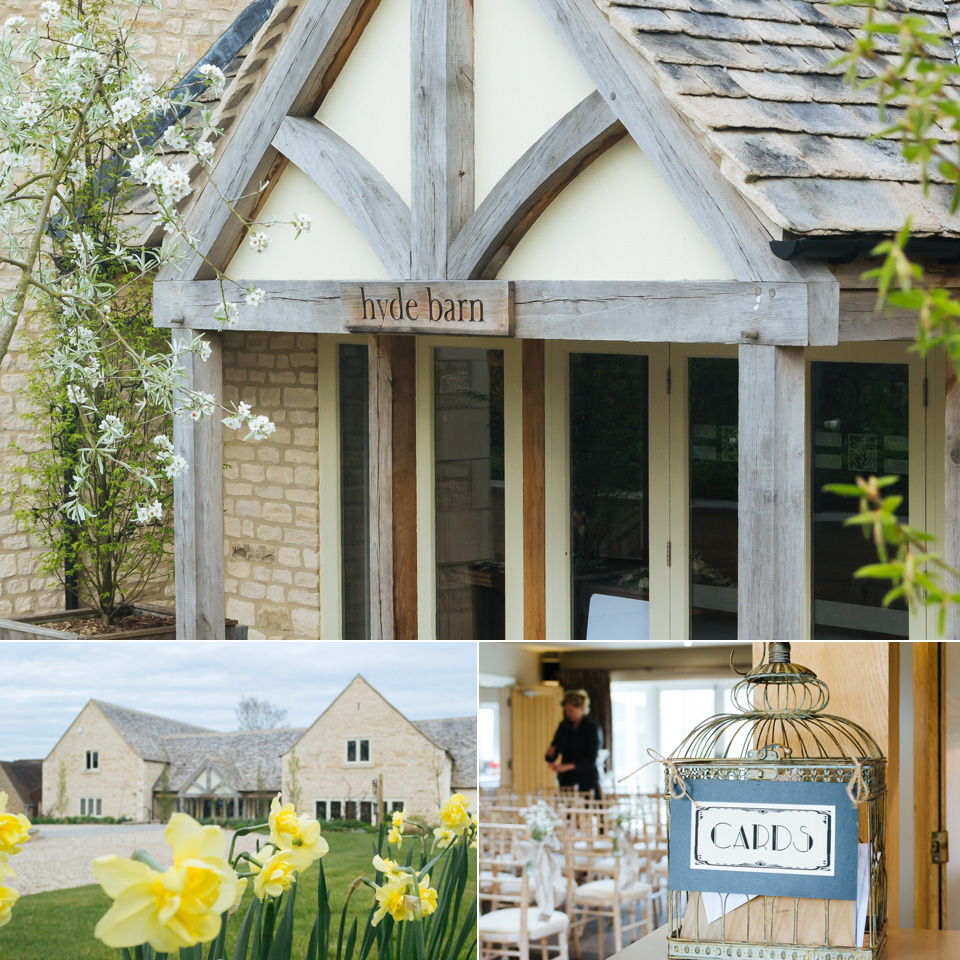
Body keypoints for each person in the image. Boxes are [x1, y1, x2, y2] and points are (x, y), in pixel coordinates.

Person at [544, 689, 602, 798]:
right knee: (565, 811)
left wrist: (566, 767)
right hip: (567, 780)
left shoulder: (592, 728)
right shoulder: (563, 726)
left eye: (570, 710)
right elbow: (554, 750)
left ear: (581, 707)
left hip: (587, 780)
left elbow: (591, 760)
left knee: (587, 812)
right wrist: (551, 754)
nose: (567, 713)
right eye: (566, 711)